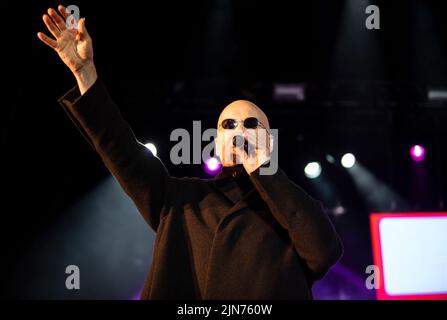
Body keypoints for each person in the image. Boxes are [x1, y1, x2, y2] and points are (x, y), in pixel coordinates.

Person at [38, 5, 343, 299]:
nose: (239, 130)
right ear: (218, 142)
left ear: (269, 141)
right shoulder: (180, 198)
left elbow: (323, 252)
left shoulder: (294, 209)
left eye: (250, 123)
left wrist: (265, 169)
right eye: (229, 125)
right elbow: (122, 150)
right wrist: (85, 74)